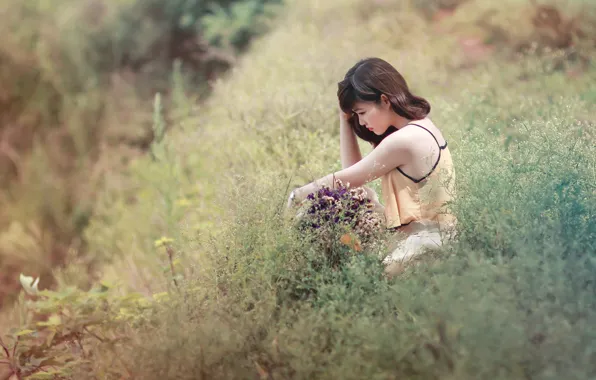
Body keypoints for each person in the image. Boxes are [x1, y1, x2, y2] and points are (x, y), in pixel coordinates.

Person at [287, 57, 456, 276]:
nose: (361, 121)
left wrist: (297, 195)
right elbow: (353, 183)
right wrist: (344, 118)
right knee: (353, 204)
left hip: (426, 248)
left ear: (385, 100)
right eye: (356, 115)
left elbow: (343, 180)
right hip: (426, 240)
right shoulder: (419, 126)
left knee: (347, 265)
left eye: (362, 112)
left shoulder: (405, 141)